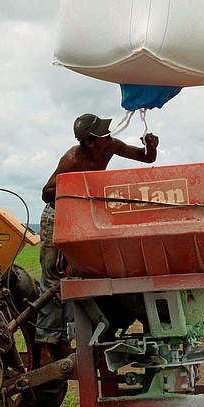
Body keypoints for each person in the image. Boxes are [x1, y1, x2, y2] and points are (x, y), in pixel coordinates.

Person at [34, 113, 158, 359]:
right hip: (57, 216)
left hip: (79, 216)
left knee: (72, 276)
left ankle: (64, 338)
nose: (109, 136)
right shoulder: (72, 159)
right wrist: (80, 186)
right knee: (51, 276)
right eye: (102, 133)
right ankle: (47, 340)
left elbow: (145, 158)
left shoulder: (109, 146)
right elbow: (47, 193)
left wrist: (151, 146)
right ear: (89, 142)